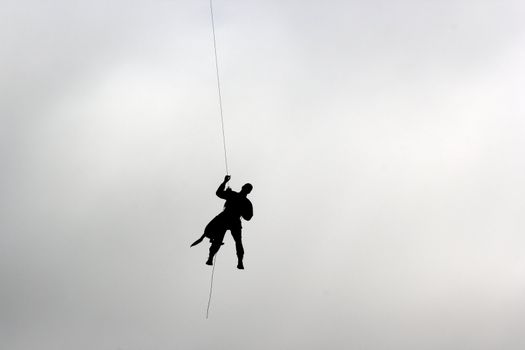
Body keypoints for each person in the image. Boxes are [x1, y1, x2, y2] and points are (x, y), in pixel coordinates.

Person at [191, 175, 253, 269]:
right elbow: (219, 193)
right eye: (246, 187)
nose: (246, 189)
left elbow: (248, 217)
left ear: (247, 191)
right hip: (227, 218)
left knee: (237, 241)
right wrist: (224, 182)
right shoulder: (235, 196)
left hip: (230, 219)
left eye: (247, 189)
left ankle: (239, 261)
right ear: (244, 188)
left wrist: (224, 183)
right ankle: (211, 258)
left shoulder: (243, 200)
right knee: (222, 239)